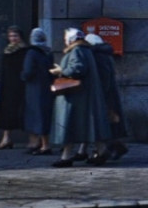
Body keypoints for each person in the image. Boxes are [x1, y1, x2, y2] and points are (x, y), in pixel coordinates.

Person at [49, 28, 110, 167]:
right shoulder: (86, 50)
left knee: (69, 125)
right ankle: (101, 150)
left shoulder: (77, 51)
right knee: (85, 126)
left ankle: (67, 157)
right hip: (83, 96)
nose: (65, 41)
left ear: (71, 40)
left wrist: (60, 71)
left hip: (75, 97)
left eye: (66, 39)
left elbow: (77, 69)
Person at [85, 33, 129, 163]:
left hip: (105, 95)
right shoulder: (105, 54)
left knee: (104, 123)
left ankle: (109, 149)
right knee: (108, 124)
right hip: (109, 94)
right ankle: (114, 147)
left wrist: (101, 94)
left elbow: (104, 78)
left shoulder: (98, 56)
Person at [0, 26, 26, 149]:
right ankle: (6, 138)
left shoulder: (23, 50)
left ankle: (35, 140)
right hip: (7, 85)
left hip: (19, 85)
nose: (13, 38)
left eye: (15, 36)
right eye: (11, 36)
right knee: (6, 111)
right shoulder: (7, 50)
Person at [21, 27, 55, 154]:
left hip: (34, 89)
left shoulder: (31, 53)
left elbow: (28, 72)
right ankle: (41, 143)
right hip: (47, 87)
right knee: (44, 116)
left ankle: (43, 145)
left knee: (36, 116)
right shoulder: (48, 52)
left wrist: (22, 76)